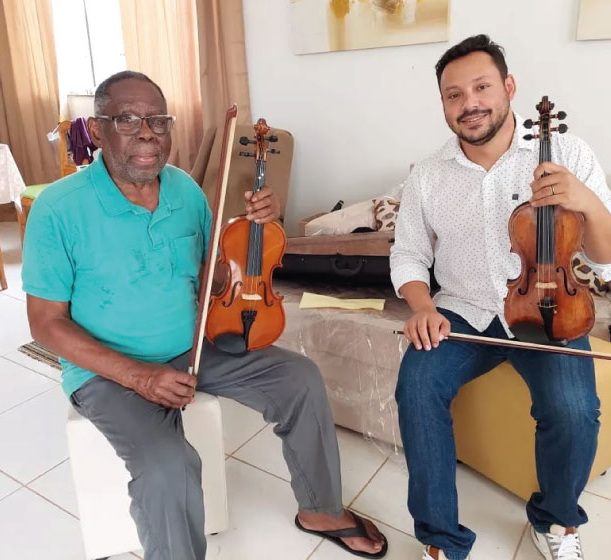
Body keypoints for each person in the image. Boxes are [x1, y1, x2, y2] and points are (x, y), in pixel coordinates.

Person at [22, 70, 387, 560]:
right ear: (99, 127)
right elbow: (45, 324)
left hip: (194, 346)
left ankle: (319, 508)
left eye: (159, 120)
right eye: (128, 119)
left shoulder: (185, 192)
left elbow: (212, 276)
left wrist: (254, 232)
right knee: (169, 466)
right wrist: (138, 376)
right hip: (107, 371)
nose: (148, 132)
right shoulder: (57, 208)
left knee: (299, 378)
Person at [390, 35, 611, 560]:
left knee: (572, 408)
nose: (469, 103)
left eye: (481, 87)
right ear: (443, 105)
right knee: (416, 386)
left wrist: (584, 200)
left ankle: (557, 521)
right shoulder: (428, 176)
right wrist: (423, 307)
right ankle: (440, 539)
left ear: (508, 87)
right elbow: (408, 257)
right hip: (464, 309)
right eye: (454, 95)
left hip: (550, 310)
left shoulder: (564, 152)